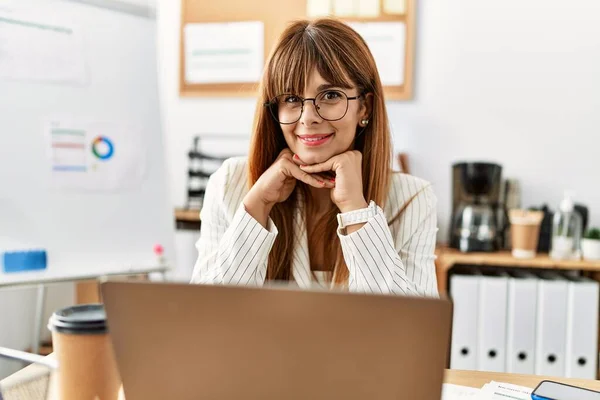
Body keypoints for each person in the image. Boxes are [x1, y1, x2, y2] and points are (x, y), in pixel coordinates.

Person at [191, 18, 438, 296]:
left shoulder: (411, 199)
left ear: (364, 108)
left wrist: (356, 211)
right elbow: (206, 318)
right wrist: (258, 206)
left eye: (330, 95)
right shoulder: (229, 184)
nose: (308, 118)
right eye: (292, 99)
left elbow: (407, 331)